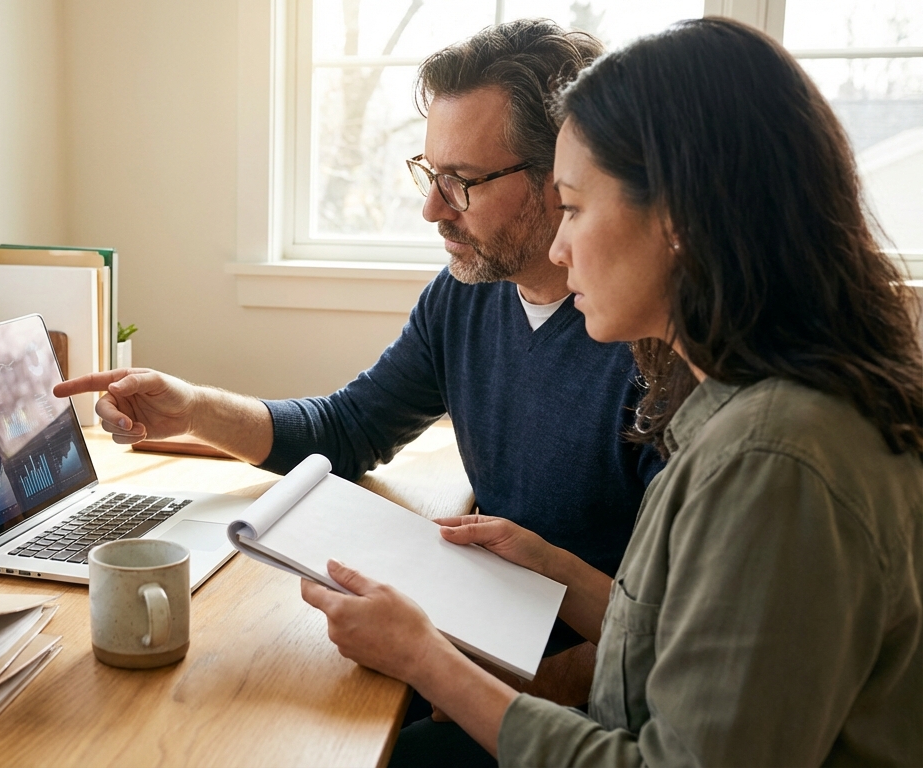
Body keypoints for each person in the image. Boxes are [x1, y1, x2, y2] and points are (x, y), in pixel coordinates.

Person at [301, 17, 923, 766]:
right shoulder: (739, 408)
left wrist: (427, 660)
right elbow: (677, 642)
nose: (560, 247)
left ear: (681, 221)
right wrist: (554, 569)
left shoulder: (773, 460)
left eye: (573, 207)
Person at [56, 21, 663, 722]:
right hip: (478, 656)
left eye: (462, 182)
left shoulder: (652, 348)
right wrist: (193, 409)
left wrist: (460, 691)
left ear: (561, 177)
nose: (431, 209)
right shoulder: (463, 297)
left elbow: (672, 642)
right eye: (430, 174)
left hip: (572, 712)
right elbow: (348, 429)